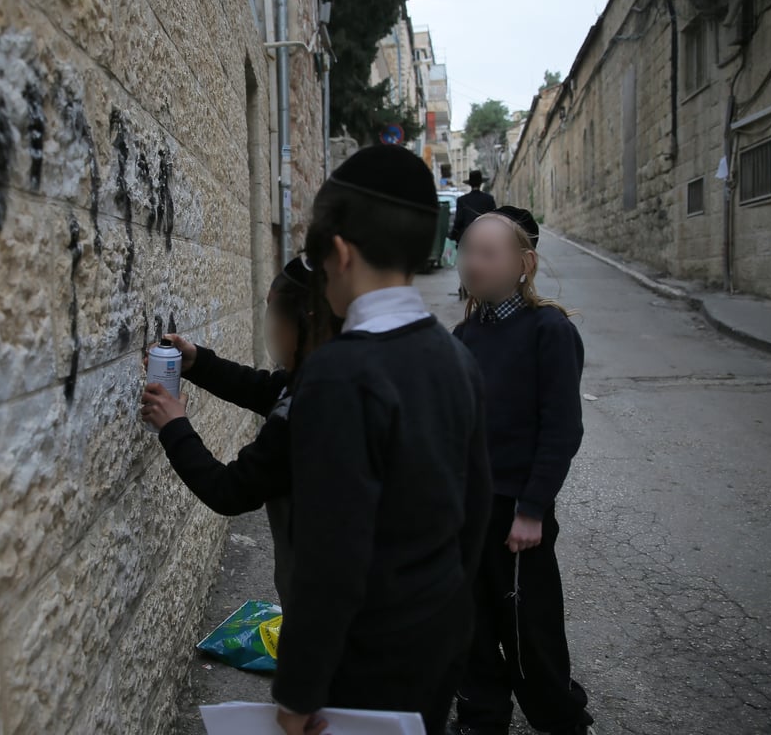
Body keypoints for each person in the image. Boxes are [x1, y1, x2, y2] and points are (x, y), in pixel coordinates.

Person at [271, 144, 493, 735]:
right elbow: (475, 513)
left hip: (362, 667)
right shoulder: (455, 355)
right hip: (438, 638)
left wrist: (296, 694)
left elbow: (328, 561)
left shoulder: (339, 375)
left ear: (339, 254)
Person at [450, 208, 594, 735]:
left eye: (487, 254)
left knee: (529, 630)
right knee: (472, 624)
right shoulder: (464, 334)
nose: (473, 264)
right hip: (468, 515)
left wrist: (532, 510)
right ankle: (482, 718)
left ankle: (562, 719)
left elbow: (561, 430)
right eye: (467, 251)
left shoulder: (549, 331)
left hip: (517, 517)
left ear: (524, 264)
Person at [139, 257, 337, 608]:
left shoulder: (311, 405)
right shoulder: (331, 371)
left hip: (327, 609)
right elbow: (264, 389)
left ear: (306, 321)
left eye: (276, 315)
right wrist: (198, 362)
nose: (271, 327)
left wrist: (173, 427)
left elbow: (231, 491)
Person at [449, 170, 498, 300]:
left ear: (470, 184)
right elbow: (495, 218)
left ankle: (464, 285)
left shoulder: (462, 200)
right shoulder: (488, 199)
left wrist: (452, 235)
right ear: (481, 183)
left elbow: (458, 221)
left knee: (466, 262)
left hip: (467, 237)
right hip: (486, 237)